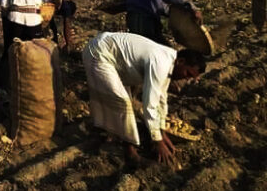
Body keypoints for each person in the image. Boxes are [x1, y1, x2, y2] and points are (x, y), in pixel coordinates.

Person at [82, 32, 206, 165]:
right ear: (181, 61)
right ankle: (130, 152)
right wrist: (157, 140)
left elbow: (161, 98)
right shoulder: (161, 63)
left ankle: (109, 131)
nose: (185, 78)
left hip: (111, 54)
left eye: (190, 77)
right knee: (122, 103)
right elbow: (150, 103)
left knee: (118, 99)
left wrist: (162, 131)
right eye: (187, 73)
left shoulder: (170, 61)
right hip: (99, 52)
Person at [0, 0, 63, 89]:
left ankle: (4, 87)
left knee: (10, 54)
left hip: (15, 19)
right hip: (34, 20)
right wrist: (57, 4)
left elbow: (4, 5)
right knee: (36, 53)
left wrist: (6, 17)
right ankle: (35, 83)